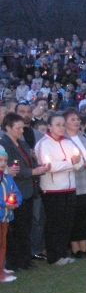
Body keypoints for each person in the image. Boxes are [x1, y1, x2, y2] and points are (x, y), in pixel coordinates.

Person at [34, 112, 84, 266]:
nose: (61, 128)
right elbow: (49, 166)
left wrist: (73, 163)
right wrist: (70, 163)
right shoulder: (44, 144)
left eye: (63, 125)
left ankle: (63, 253)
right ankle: (54, 255)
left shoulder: (68, 142)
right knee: (55, 223)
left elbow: (80, 162)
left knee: (67, 223)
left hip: (70, 187)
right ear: (49, 126)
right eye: (57, 125)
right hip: (53, 190)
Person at [0, 113, 48, 272]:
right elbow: (12, 169)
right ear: (8, 127)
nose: (21, 131)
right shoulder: (4, 144)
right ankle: (15, 261)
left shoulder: (22, 143)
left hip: (28, 190)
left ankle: (25, 259)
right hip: (14, 190)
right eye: (18, 128)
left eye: (22, 128)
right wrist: (33, 172)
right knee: (15, 229)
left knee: (26, 226)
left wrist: (38, 165)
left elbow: (30, 161)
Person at [64, 109, 86, 259]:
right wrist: (84, 165)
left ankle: (84, 246)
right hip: (75, 182)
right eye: (72, 119)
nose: (76, 122)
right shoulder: (64, 139)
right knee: (75, 215)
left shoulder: (84, 136)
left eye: (78, 119)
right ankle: (75, 247)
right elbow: (67, 159)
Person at [0, 147, 23, 282]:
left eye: (5, 161)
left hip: (5, 216)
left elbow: (17, 193)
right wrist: (4, 204)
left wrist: (16, 202)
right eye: (0, 160)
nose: (3, 163)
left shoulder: (7, 178)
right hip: (2, 212)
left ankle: (1, 269)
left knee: (3, 243)